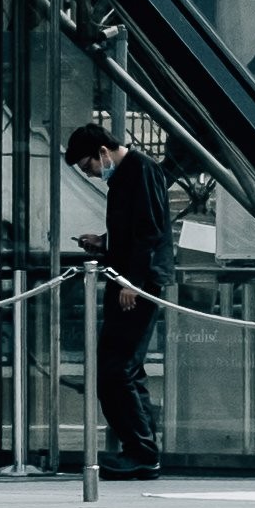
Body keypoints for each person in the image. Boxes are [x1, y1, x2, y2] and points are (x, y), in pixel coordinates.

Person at [65, 115, 173, 476]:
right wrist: (104, 243)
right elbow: (140, 231)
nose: (91, 173)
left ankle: (141, 452)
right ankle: (141, 450)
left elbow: (149, 231)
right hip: (131, 278)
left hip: (136, 284)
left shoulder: (140, 170)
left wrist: (132, 282)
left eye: (88, 166)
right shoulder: (132, 174)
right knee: (123, 369)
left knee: (116, 369)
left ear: (102, 151)